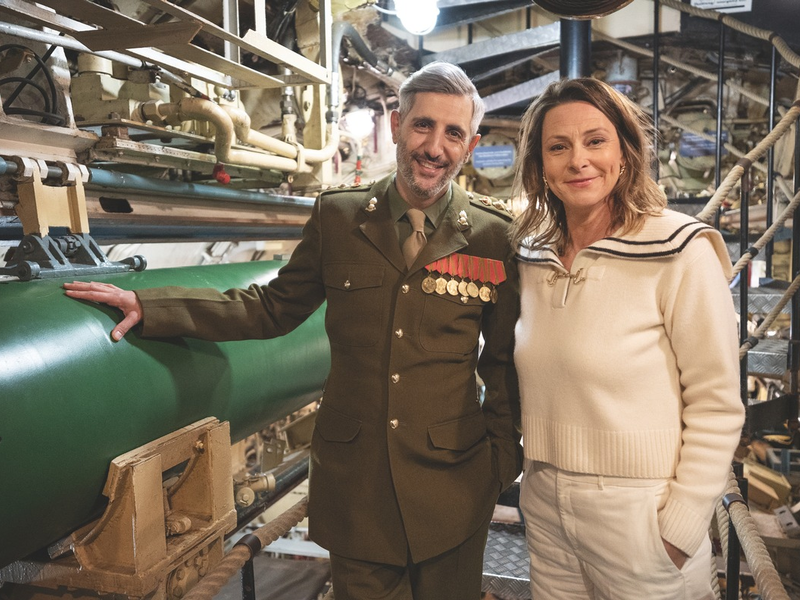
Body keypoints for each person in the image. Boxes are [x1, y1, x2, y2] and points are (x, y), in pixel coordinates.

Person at [64, 61, 522, 600]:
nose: (435, 147)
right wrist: (152, 304)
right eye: (424, 125)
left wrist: (500, 463)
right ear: (397, 124)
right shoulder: (340, 218)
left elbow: (506, 360)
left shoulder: (494, 237)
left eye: (454, 133)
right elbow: (272, 308)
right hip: (359, 487)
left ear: (469, 147)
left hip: (454, 483)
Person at [509, 77, 745, 600]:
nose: (578, 160)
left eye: (596, 140)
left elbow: (717, 404)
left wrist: (679, 528)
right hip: (545, 503)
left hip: (640, 511)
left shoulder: (679, 250)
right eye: (558, 147)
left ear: (625, 151)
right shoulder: (531, 257)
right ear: (541, 168)